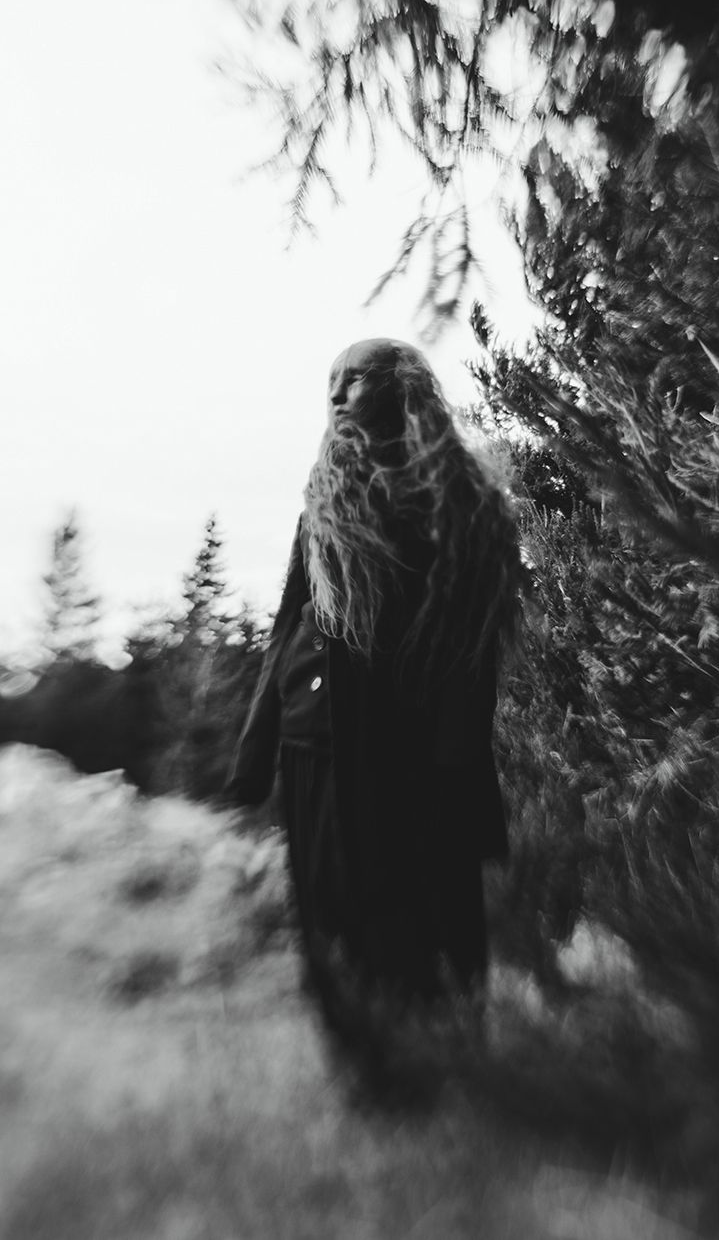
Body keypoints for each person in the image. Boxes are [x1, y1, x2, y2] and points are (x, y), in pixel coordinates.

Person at [224, 338, 521, 1020]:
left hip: (409, 742)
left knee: (427, 912)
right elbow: (287, 625)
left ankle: (444, 1050)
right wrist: (253, 754)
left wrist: (458, 764)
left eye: (354, 378)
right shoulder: (323, 504)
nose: (336, 393)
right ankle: (362, 1058)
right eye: (331, 379)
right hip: (317, 738)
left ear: (400, 386)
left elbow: (473, 641)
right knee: (332, 918)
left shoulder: (462, 501)